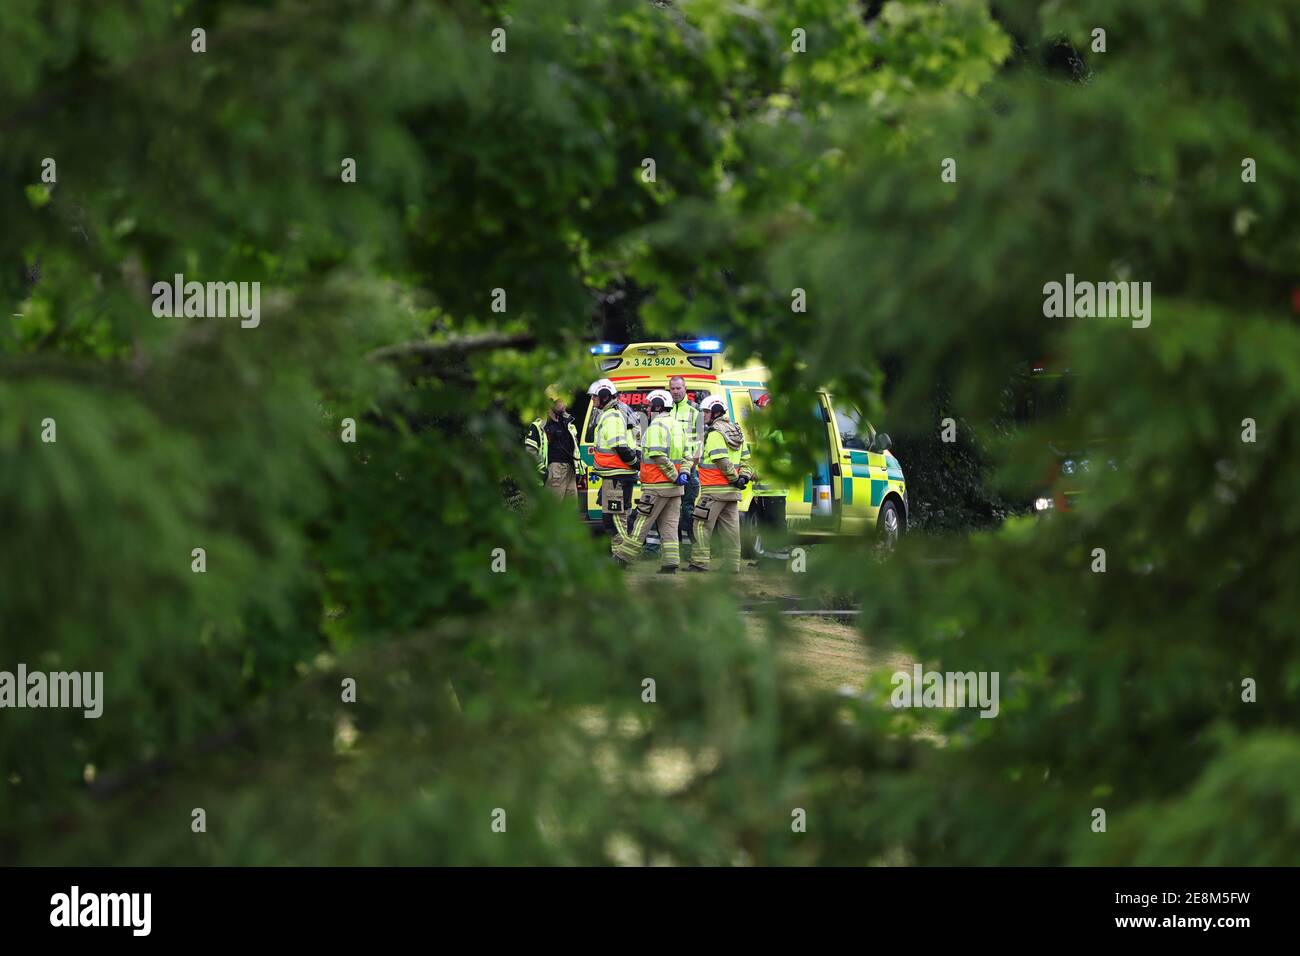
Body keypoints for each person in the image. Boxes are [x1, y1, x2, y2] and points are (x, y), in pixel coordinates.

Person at [615, 390, 691, 572]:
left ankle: (621, 558)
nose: (647, 409)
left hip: (657, 486)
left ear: (657, 406)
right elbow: (688, 455)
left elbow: (658, 456)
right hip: (675, 489)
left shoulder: (656, 427)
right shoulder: (677, 426)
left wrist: (674, 476)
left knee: (641, 523)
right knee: (670, 526)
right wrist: (684, 475)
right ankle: (670, 563)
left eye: (650, 406)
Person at [687, 393, 752, 573]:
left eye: (706, 412)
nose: (704, 416)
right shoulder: (737, 432)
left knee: (700, 525)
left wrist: (734, 478)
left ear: (715, 412)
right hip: (731, 492)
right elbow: (747, 461)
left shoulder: (715, 433)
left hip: (713, 491)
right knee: (731, 530)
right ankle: (733, 565)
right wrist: (743, 478)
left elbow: (721, 460)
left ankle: (699, 563)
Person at [588, 378, 640, 565]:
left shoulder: (612, 415)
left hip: (617, 475)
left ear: (604, 396)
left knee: (614, 518)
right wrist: (635, 464)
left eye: (595, 397)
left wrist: (634, 463)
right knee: (617, 516)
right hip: (614, 474)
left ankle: (622, 557)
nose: (593, 400)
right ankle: (621, 555)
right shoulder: (614, 412)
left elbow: (619, 445)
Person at [747, 392, 791, 566]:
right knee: (764, 528)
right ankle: (766, 561)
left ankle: (779, 563)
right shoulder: (766, 430)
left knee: (777, 527)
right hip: (763, 490)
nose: (760, 413)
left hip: (775, 489)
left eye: (762, 409)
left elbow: (782, 463)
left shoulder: (781, 432)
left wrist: (761, 474)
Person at [524, 385, 583, 500]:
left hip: (570, 471)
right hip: (554, 472)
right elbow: (530, 452)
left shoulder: (568, 424)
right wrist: (543, 472)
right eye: (561, 400)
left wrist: (579, 468)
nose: (565, 403)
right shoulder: (539, 426)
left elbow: (575, 449)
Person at [668, 375, 704, 559]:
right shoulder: (666, 412)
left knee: (688, 511)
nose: (675, 392)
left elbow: (699, 445)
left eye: (678, 388)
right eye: (672, 389)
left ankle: (696, 551)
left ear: (685, 389)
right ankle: (678, 553)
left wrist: (690, 468)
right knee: (671, 514)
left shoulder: (694, 413)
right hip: (669, 471)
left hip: (688, 470)